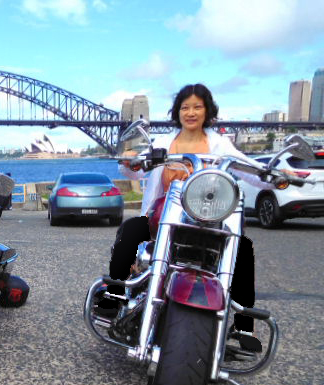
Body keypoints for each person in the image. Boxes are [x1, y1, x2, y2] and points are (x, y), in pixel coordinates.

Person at [105, 83, 275, 353]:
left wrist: (273, 175)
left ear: (207, 110)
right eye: (185, 107)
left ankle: (243, 325)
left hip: (206, 220)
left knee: (243, 248)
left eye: (197, 106)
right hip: (163, 216)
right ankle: (113, 296)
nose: (191, 112)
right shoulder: (162, 143)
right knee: (131, 229)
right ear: (177, 111)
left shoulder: (219, 144)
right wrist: (129, 161)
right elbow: (136, 172)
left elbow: (248, 169)